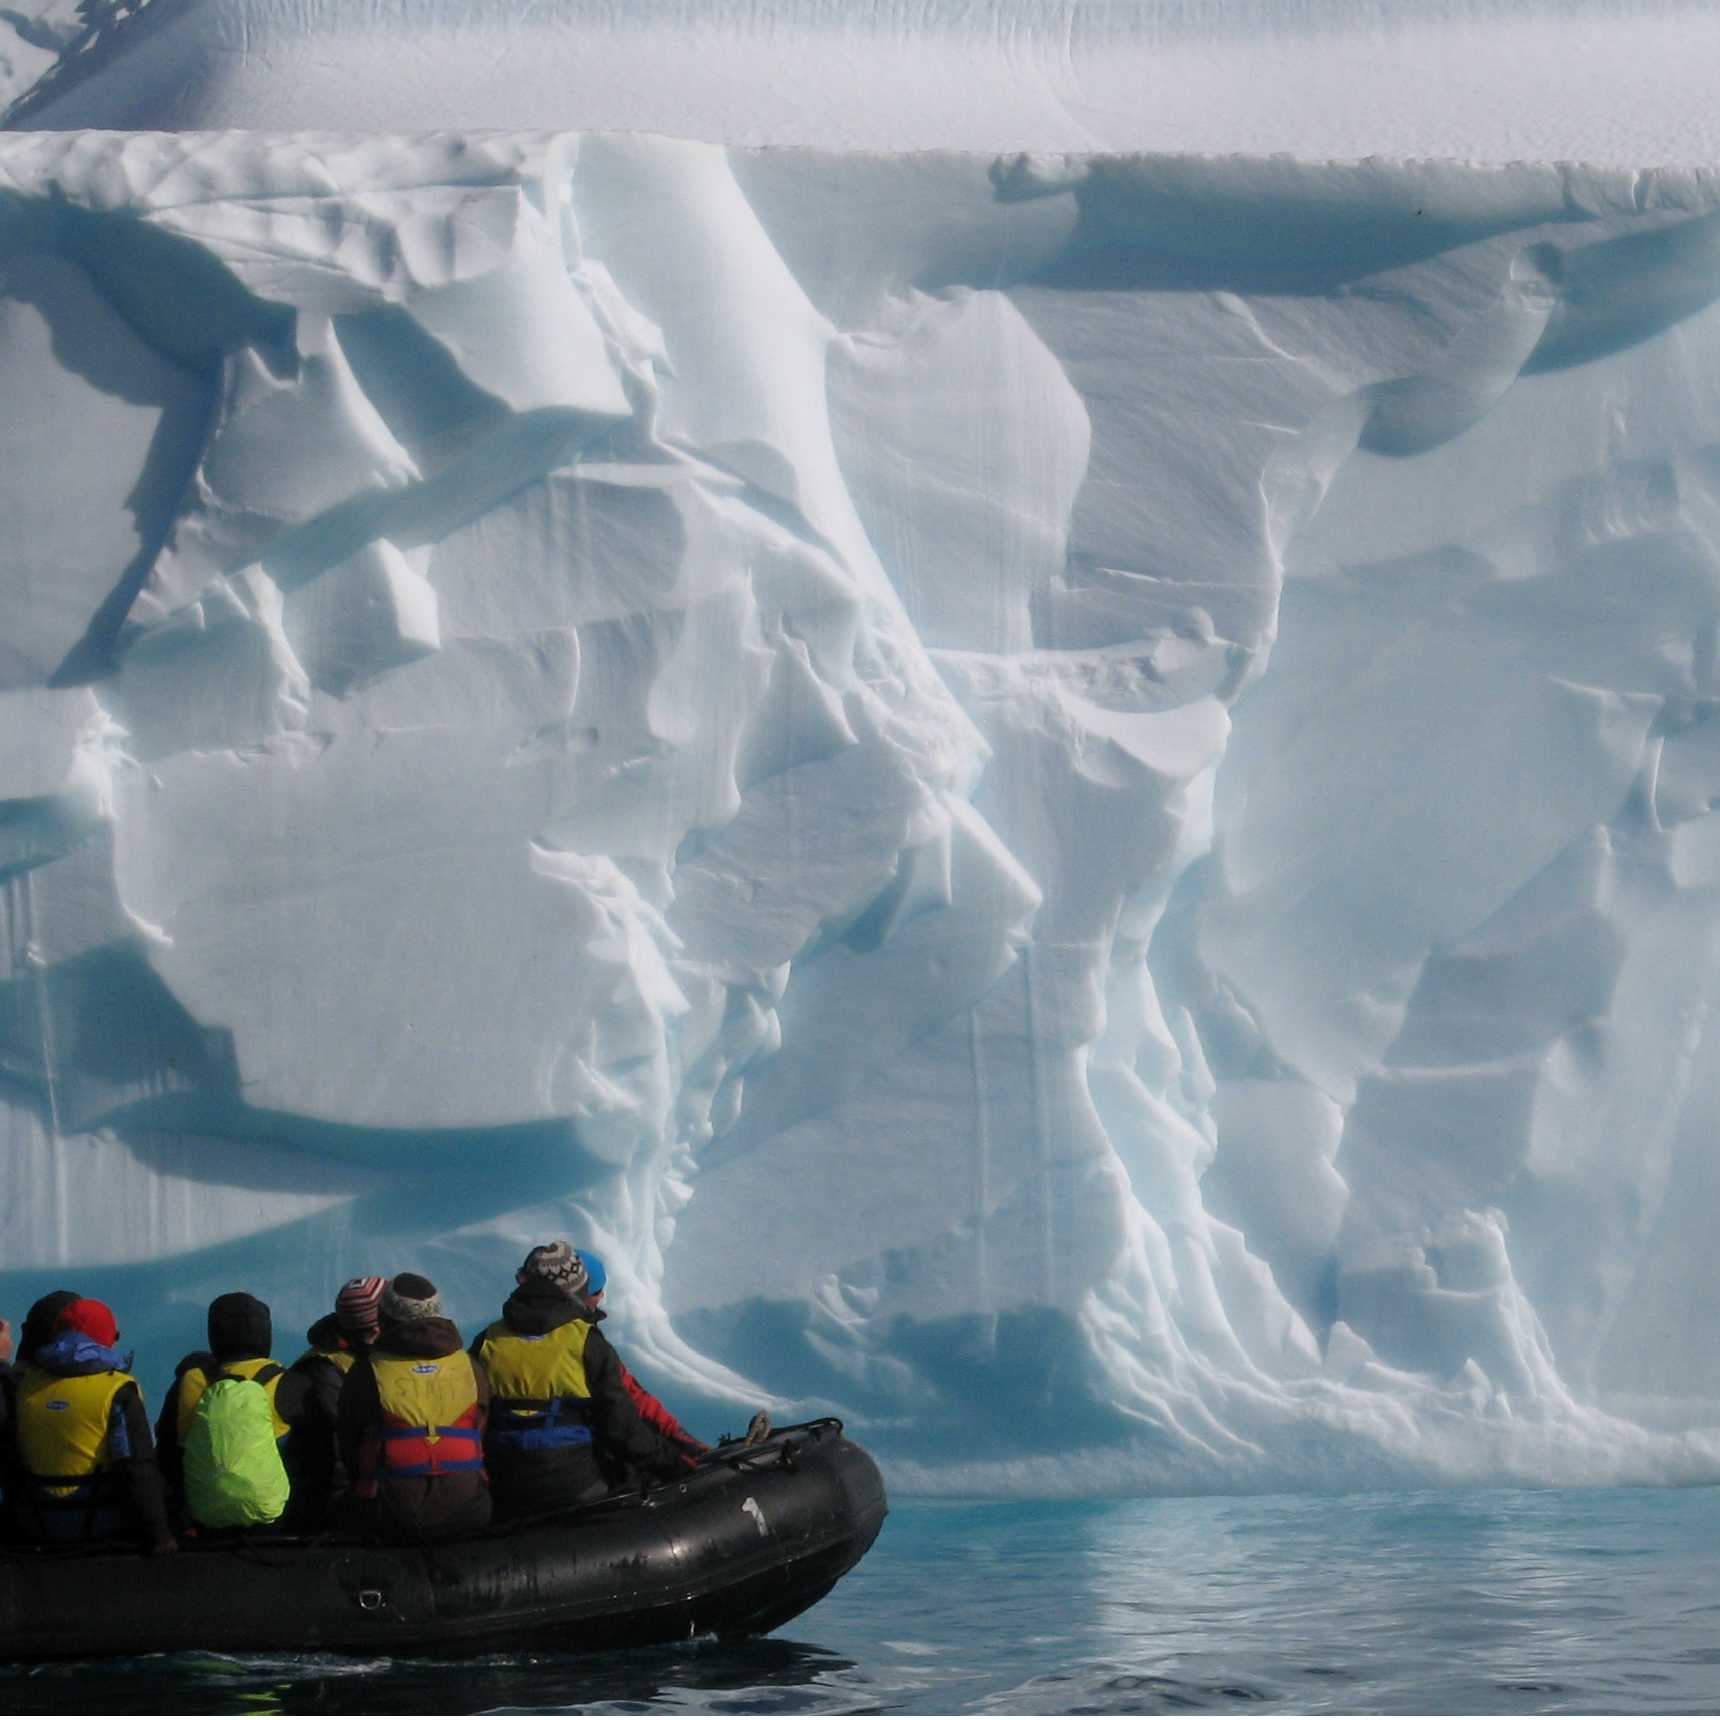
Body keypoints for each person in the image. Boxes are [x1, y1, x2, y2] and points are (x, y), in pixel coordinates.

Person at [471, 1242, 695, 1519]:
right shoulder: (587, 1343)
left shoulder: (486, 1342)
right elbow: (623, 1430)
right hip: (577, 1490)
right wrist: (679, 1467)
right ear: (578, 1289)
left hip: (506, 1492)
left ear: (524, 1282)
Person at [3, 1298, 175, 1553]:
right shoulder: (117, 1391)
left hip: (35, 1530)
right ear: (105, 1338)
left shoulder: (22, 1388)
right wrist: (161, 1538)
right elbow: (136, 1469)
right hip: (102, 1529)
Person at [339, 1274, 491, 1543]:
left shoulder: (366, 1372)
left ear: (384, 1317)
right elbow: (483, 1430)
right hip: (470, 1508)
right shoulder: (470, 1366)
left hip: (393, 1515)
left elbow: (349, 1446)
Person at [156, 1292, 310, 1530]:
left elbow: (168, 1452)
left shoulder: (190, 1381)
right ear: (265, 1333)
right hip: (276, 1518)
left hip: (202, 1514)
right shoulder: (289, 1383)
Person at [283, 1275, 384, 1528]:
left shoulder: (357, 1357)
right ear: (375, 1328)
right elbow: (344, 1437)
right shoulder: (324, 1369)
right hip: (334, 1493)